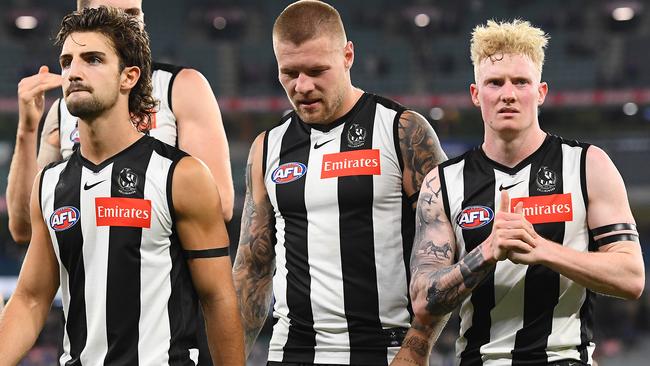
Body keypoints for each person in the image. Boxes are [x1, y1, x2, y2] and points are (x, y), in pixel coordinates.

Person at [0, 7, 244, 365]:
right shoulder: (50, 184)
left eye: (93, 59)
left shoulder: (181, 175)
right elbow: (31, 299)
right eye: (67, 62)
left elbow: (219, 298)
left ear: (128, 77)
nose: (74, 72)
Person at [398, 19, 646, 366]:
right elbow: (423, 299)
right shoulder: (443, 182)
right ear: (475, 94)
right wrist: (486, 252)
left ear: (541, 91)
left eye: (521, 82)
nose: (508, 94)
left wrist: (541, 248)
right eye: (495, 83)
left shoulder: (588, 165)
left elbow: (632, 276)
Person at [232, 1, 447, 365]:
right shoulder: (267, 147)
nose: (302, 86)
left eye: (317, 70)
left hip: (386, 350)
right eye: (289, 72)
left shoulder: (403, 131)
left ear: (348, 55)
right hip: (291, 351)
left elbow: (444, 253)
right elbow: (253, 266)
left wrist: (417, 348)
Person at [7, 0, 234, 247]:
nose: (127, 24)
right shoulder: (64, 109)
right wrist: (26, 131)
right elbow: (25, 229)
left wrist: (111, 207)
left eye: (133, 14)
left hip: (161, 279)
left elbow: (219, 204)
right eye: (111, 15)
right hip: (78, 283)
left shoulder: (181, 86)